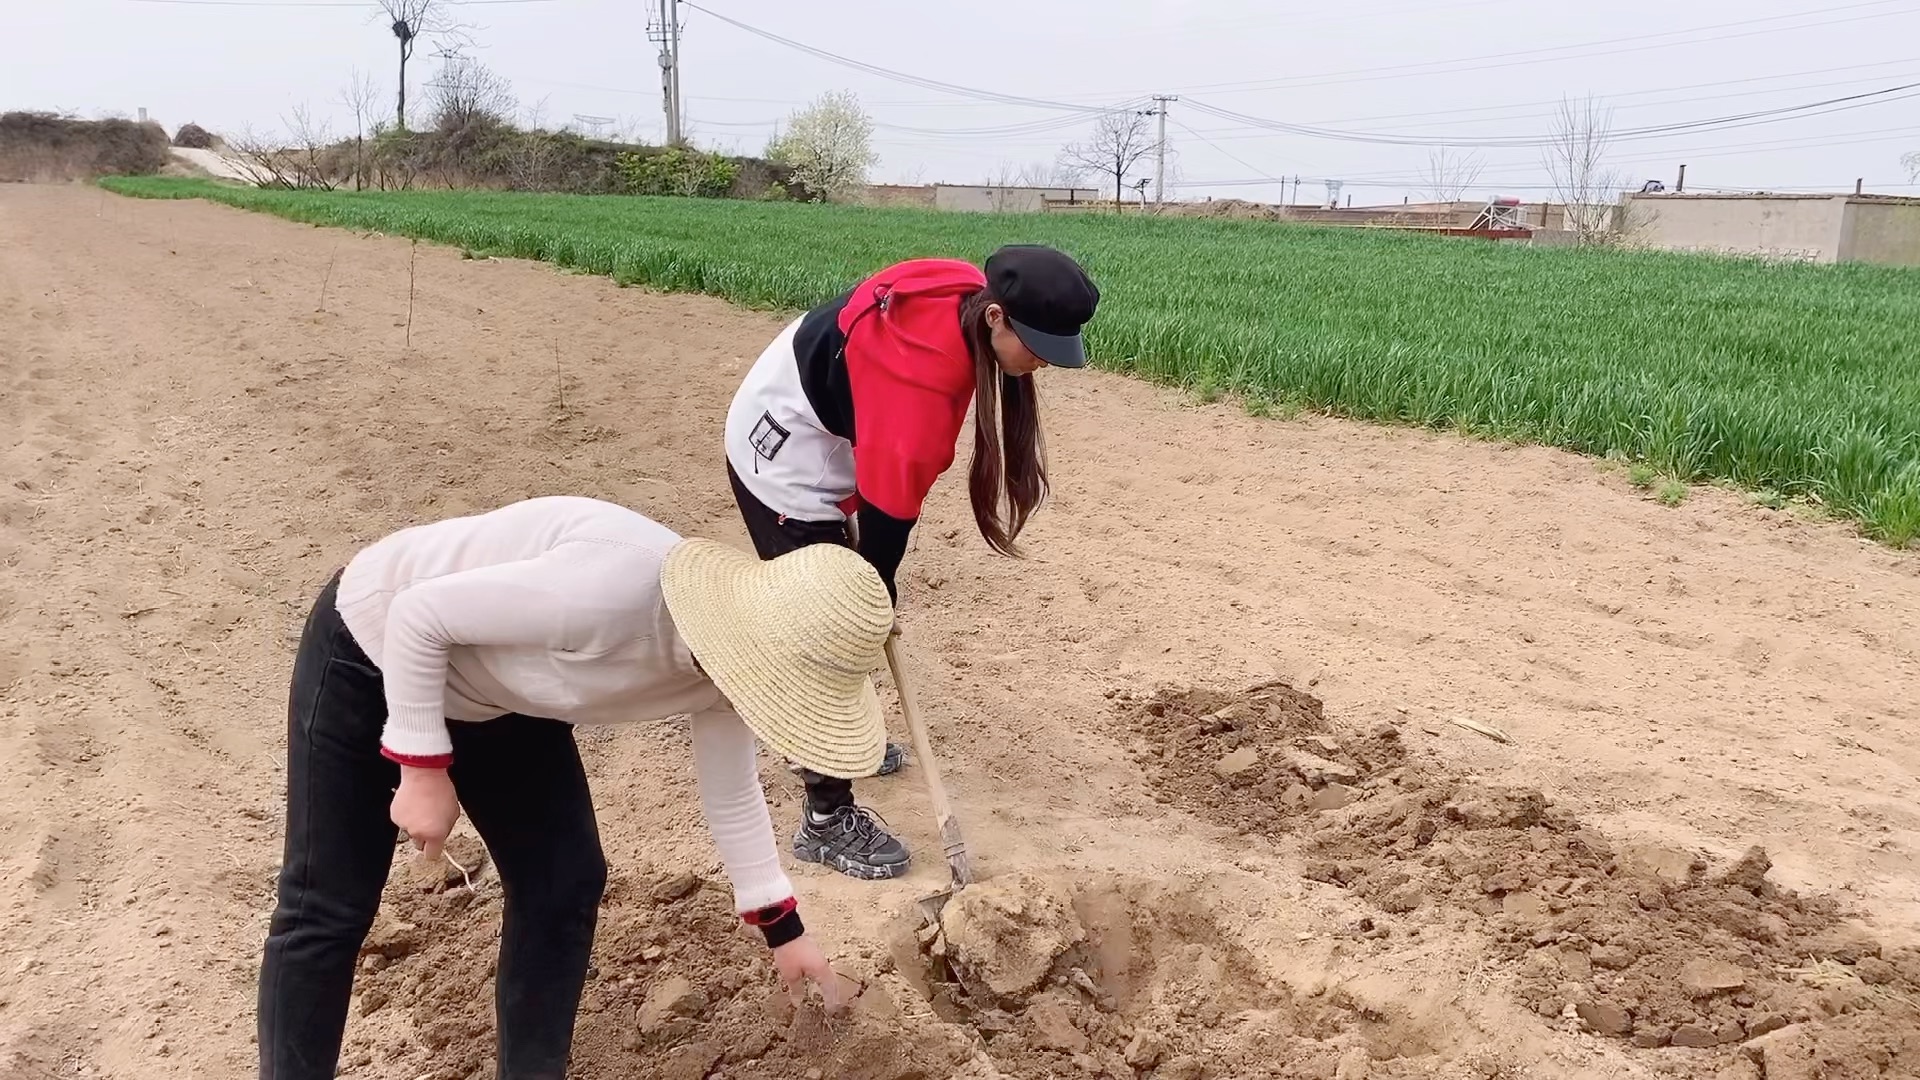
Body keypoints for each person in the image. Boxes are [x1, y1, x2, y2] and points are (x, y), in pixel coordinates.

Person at [258, 495, 892, 1080]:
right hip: (373, 647)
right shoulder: (609, 594)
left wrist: (786, 933)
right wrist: (423, 768)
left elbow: (732, 793)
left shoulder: (733, 673)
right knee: (328, 906)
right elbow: (417, 616)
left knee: (563, 883)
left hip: (501, 690)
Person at [723, 244, 1100, 881]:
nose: (1042, 361)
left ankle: (843, 741)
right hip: (782, 456)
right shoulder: (919, 384)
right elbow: (888, 521)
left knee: (849, 615)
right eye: (1035, 343)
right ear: (995, 318)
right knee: (830, 628)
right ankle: (825, 817)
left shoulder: (961, 293)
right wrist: (874, 594)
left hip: (833, 429)